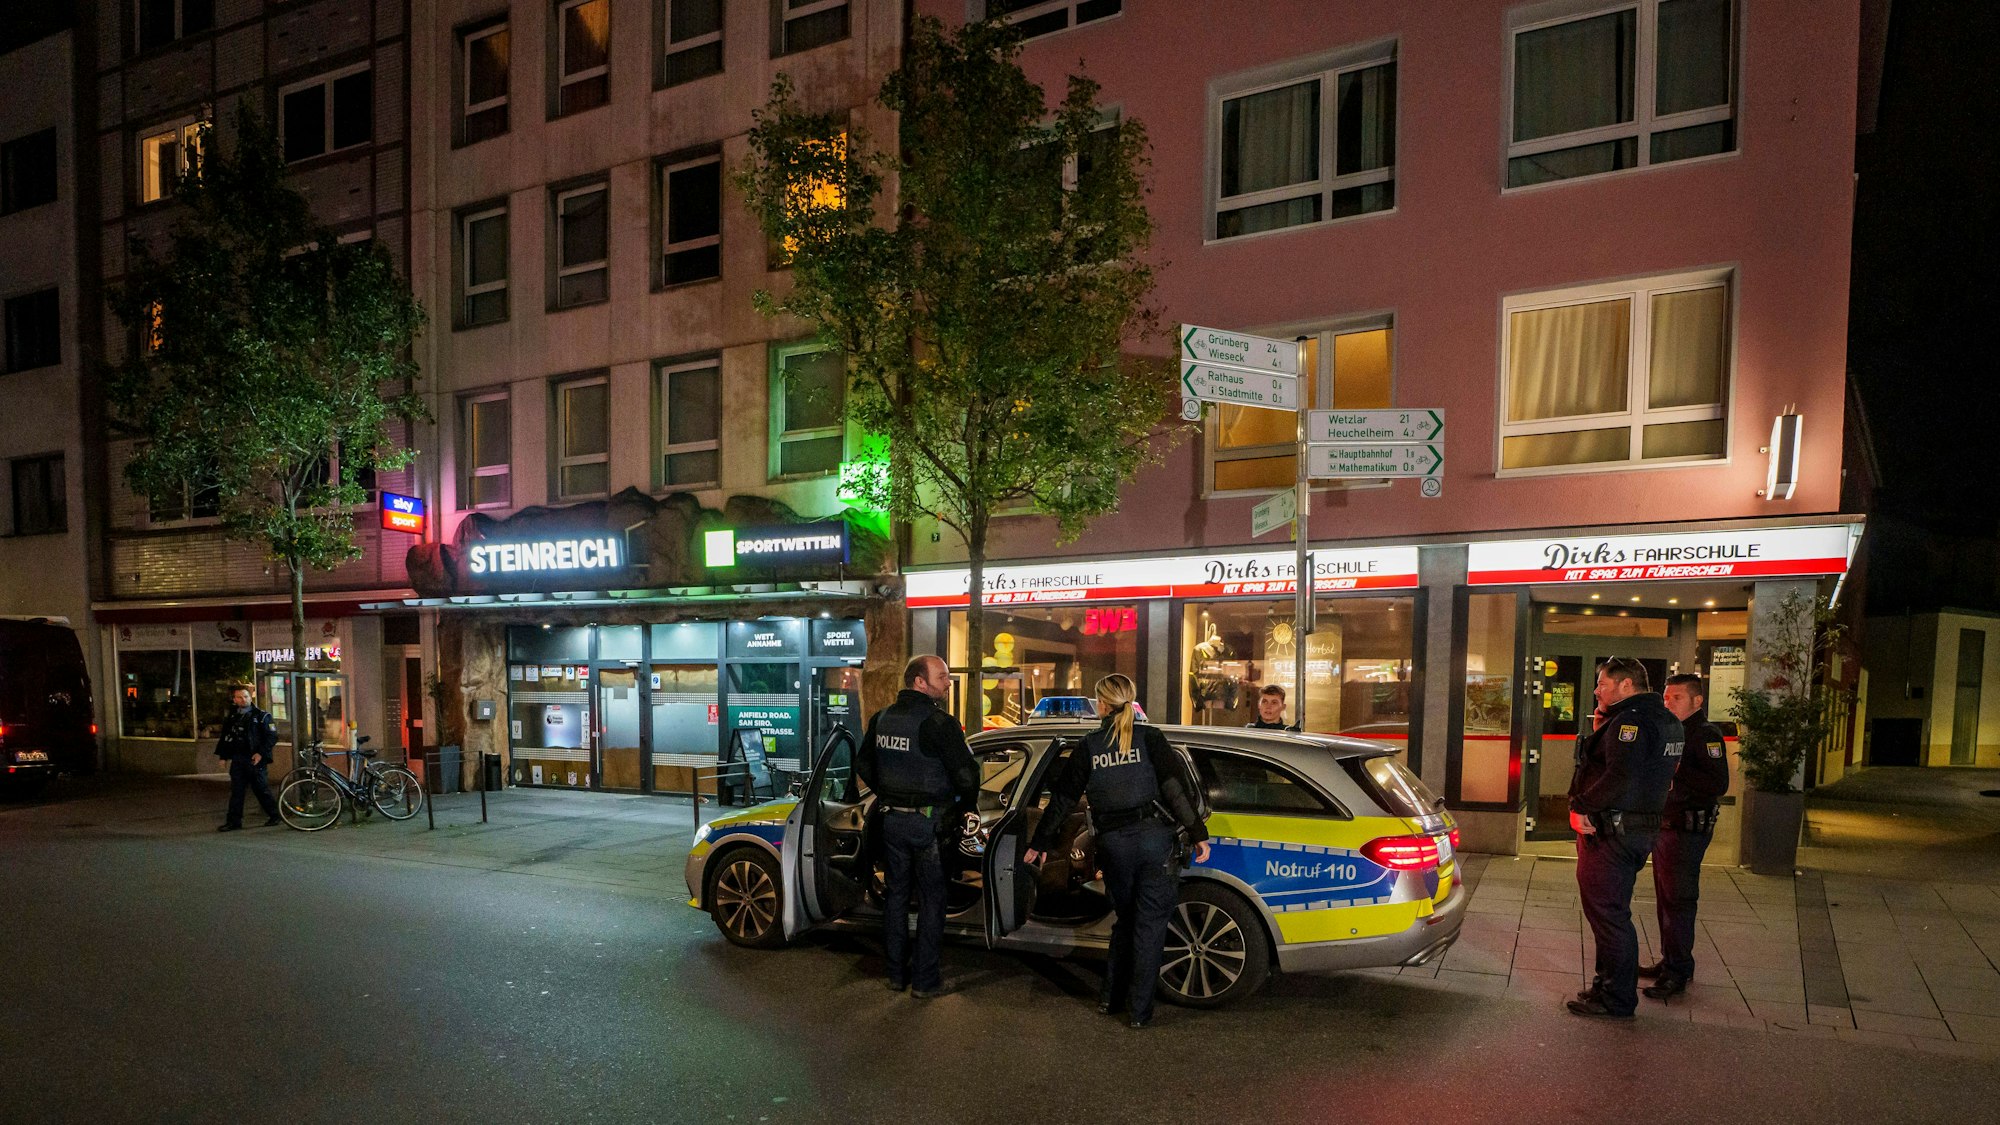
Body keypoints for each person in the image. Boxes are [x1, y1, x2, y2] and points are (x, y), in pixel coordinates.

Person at [1025, 674, 1211, 1028]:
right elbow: (1174, 790)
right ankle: (1139, 1013)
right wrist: (1197, 833)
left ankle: (1110, 999)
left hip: (1114, 846)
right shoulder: (1150, 738)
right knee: (1150, 926)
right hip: (1155, 842)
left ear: (1102, 704)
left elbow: (1062, 801)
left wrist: (1040, 843)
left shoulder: (1089, 746)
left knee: (1126, 921)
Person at [855, 654, 978, 999]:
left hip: (892, 821)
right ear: (919, 682)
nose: (948, 682)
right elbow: (967, 776)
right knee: (931, 900)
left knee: (895, 897)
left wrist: (890, 793)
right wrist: (965, 806)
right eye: (942, 677)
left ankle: (895, 974)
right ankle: (924, 981)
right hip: (929, 824)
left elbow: (863, 763)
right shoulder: (939, 723)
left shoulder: (881, 720)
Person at [1566, 657, 1682, 1019]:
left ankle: (1616, 998)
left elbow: (1621, 776)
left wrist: (1581, 805)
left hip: (1613, 833)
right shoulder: (1668, 721)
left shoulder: (1630, 722)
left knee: (1608, 914)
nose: (1597, 690)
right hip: (1638, 829)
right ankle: (1608, 985)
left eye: (1602, 683)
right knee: (1613, 911)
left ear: (1626, 685)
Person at [1641, 673, 1730, 999]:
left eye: (1676, 697)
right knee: (1665, 899)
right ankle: (1671, 961)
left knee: (1678, 900)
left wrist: (1675, 771)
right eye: (1665, 697)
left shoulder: (1705, 735)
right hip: (1666, 826)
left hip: (1686, 829)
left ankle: (1677, 971)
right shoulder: (1670, 732)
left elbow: (1718, 783)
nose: (1668, 702)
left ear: (1697, 701)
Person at [215, 685, 281, 831]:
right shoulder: (232, 717)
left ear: (251, 698)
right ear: (234, 699)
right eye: (239, 697)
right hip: (238, 758)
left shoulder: (262, 716)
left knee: (261, 789)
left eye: (246, 697)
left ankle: (274, 815)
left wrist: (261, 753)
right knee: (237, 791)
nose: (243, 700)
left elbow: (272, 737)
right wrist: (223, 756)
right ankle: (234, 821)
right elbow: (226, 737)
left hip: (255, 759)